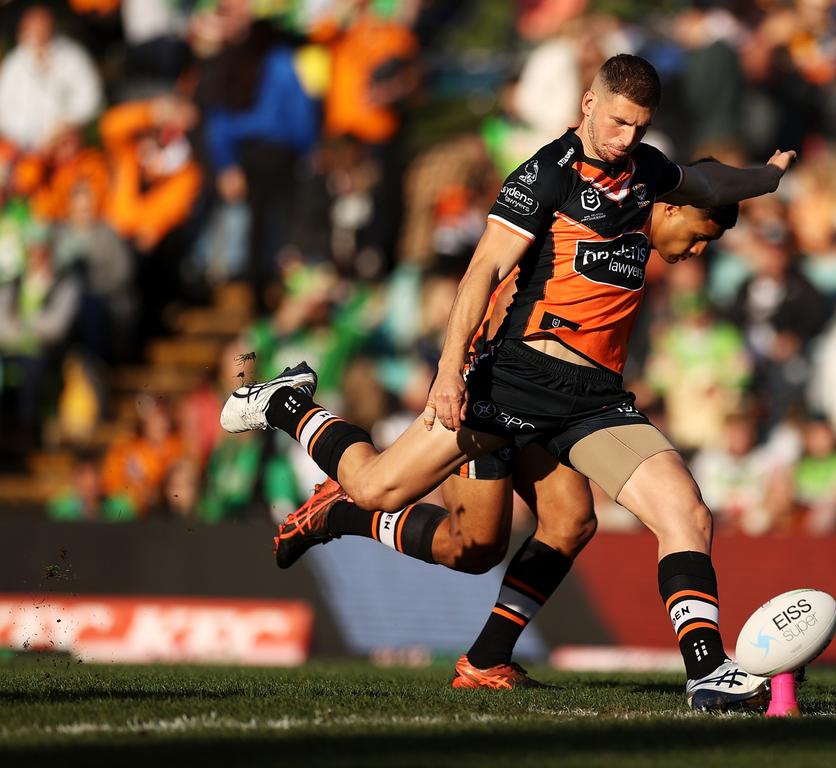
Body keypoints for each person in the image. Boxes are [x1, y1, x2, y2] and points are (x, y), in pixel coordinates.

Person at [221, 54, 796, 710]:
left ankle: (705, 672)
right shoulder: (543, 176)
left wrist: (768, 177)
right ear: (587, 103)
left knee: (673, 513)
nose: (624, 140)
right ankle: (288, 402)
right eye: (615, 123)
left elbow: (709, 180)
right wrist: (446, 373)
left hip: (593, 401)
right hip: (511, 382)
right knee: (384, 491)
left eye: (638, 128)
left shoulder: (648, 173)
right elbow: (482, 273)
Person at [278, 198, 739, 691]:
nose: (697, 249)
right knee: (469, 545)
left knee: (570, 521)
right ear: (671, 208)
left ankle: (486, 658)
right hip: (496, 390)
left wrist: (767, 174)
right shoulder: (594, 206)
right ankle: (299, 425)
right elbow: (497, 285)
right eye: (698, 235)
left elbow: (706, 178)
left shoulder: (633, 231)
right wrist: (467, 369)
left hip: (553, 398)